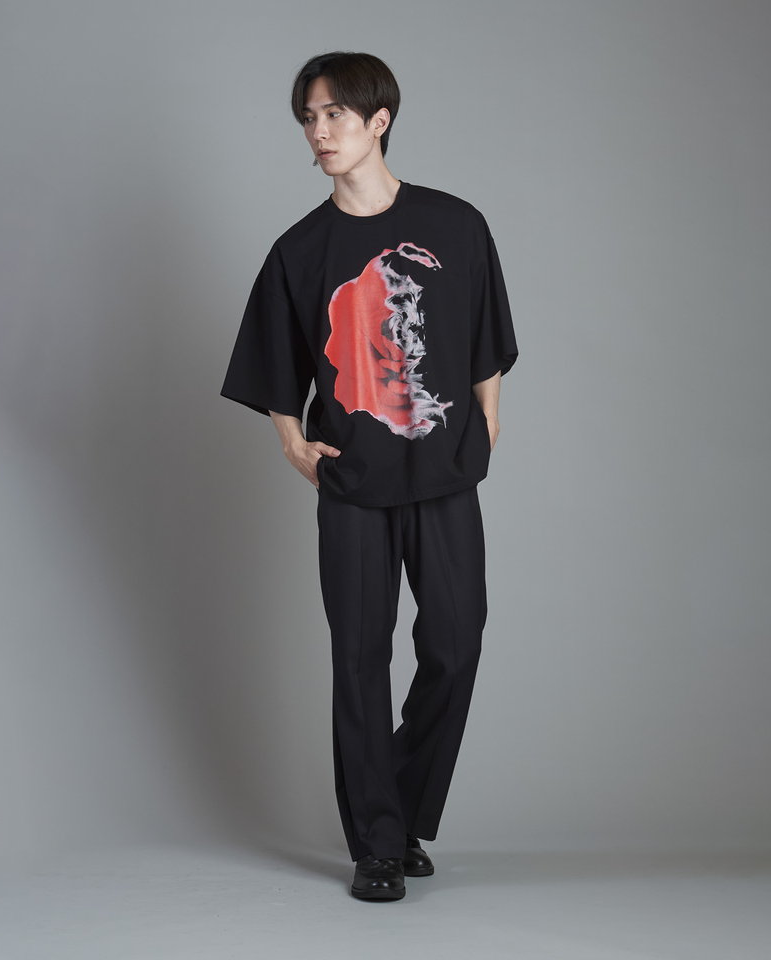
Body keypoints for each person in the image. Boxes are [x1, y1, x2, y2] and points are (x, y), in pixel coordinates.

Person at [220, 51, 518, 901]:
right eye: (308, 118)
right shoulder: (299, 250)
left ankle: (399, 803)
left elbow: (484, 332)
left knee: (456, 642)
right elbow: (273, 363)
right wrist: (292, 443)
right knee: (359, 656)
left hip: (444, 470)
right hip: (352, 480)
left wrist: (488, 415)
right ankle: (379, 846)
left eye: (334, 116)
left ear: (378, 120)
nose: (318, 133)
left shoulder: (455, 224)